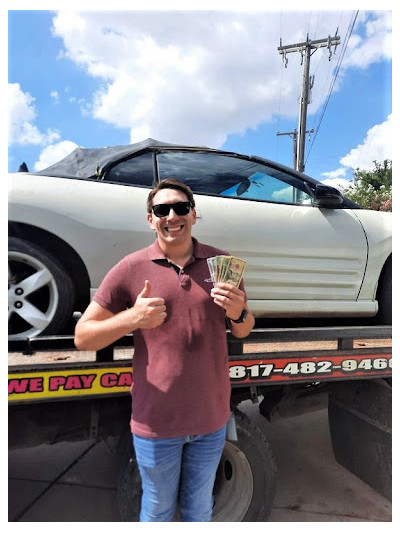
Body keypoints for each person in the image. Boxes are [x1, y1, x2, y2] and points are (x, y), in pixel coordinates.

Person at [74, 178, 254, 522]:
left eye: (181, 207)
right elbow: (83, 337)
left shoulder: (222, 263)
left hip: (211, 419)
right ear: (150, 219)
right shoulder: (131, 267)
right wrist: (132, 318)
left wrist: (238, 312)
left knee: (199, 507)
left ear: (194, 214)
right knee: (156, 510)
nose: (172, 216)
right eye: (161, 210)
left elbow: (244, 328)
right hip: (155, 422)